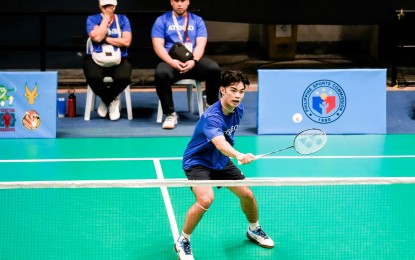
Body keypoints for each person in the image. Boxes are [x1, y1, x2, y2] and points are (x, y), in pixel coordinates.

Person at [176, 70, 274, 259]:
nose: (238, 95)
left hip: (220, 161)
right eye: (233, 90)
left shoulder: (239, 110)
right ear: (222, 90)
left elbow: (227, 139)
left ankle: (254, 229)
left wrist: (234, 155)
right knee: (205, 199)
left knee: (247, 194)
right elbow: (220, 144)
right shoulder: (211, 117)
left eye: (241, 91)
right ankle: (183, 240)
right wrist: (239, 155)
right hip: (198, 162)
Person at [151, 0, 221, 129]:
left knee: (213, 69)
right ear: (171, 2)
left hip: (192, 61)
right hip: (171, 62)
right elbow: (158, 46)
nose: (179, 4)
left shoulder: (197, 20)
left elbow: (200, 44)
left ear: (188, 2)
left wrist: (194, 61)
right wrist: (171, 61)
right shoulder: (162, 20)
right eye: (176, 1)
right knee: (160, 73)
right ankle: (170, 114)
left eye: (182, 0)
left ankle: (211, 106)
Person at [83, 0, 132, 121]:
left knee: (124, 78)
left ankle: (106, 100)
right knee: (93, 78)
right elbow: (97, 38)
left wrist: (105, 37)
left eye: (110, 6)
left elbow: (126, 42)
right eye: (105, 6)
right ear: (100, 5)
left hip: (120, 57)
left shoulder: (123, 19)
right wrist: (105, 18)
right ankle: (111, 100)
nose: (108, 8)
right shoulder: (92, 19)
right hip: (95, 57)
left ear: (115, 6)